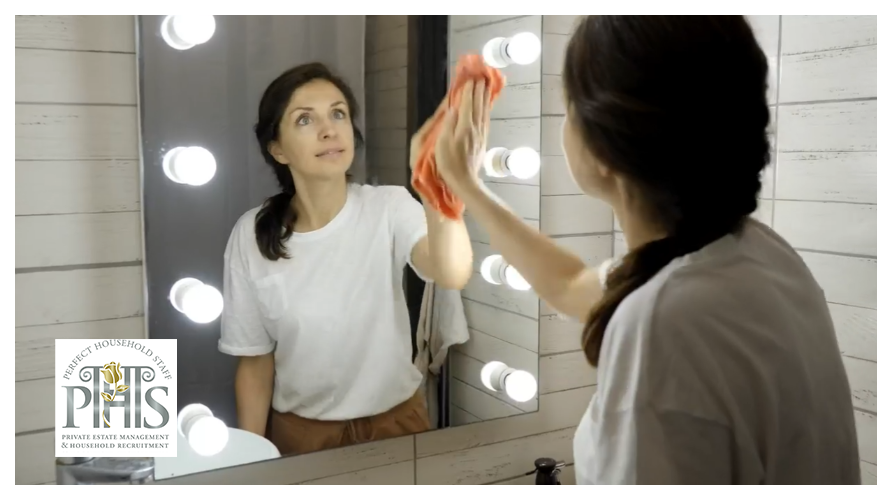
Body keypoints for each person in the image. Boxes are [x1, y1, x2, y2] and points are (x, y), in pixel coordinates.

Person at [433, 16, 861, 484]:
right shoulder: (759, 255)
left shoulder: (663, 326)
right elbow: (570, 284)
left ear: (603, 145)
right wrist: (467, 185)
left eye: (568, 107)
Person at [218, 62, 473, 456]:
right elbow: (254, 362)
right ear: (277, 149)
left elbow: (446, 269)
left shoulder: (388, 205)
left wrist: (439, 193)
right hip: (301, 438)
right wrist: (250, 462)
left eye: (338, 114)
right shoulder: (251, 235)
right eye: (305, 119)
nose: (329, 129)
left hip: (398, 425)